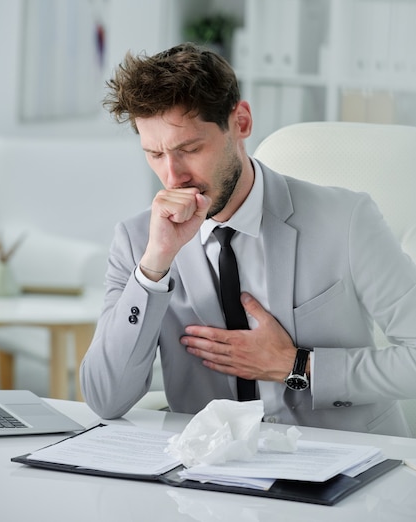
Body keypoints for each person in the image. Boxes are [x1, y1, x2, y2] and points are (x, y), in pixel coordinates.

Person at [80, 43, 416, 436]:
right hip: (210, 477)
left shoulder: (346, 220)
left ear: (240, 122)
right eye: (154, 154)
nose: (172, 177)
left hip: (347, 462)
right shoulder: (138, 242)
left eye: (189, 149)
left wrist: (297, 366)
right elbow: (104, 398)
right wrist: (154, 266)